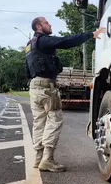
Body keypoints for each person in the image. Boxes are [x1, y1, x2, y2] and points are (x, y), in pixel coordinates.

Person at [25, 16, 106, 172]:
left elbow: (27, 70)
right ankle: (47, 160)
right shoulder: (43, 40)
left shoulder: (29, 46)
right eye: (47, 23)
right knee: (54, 120)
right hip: (46, 87)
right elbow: (65, 41)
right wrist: (90, 34)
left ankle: (38, 158)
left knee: (39, 122)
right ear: (39, 27)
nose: (50, 24)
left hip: (34, 87)